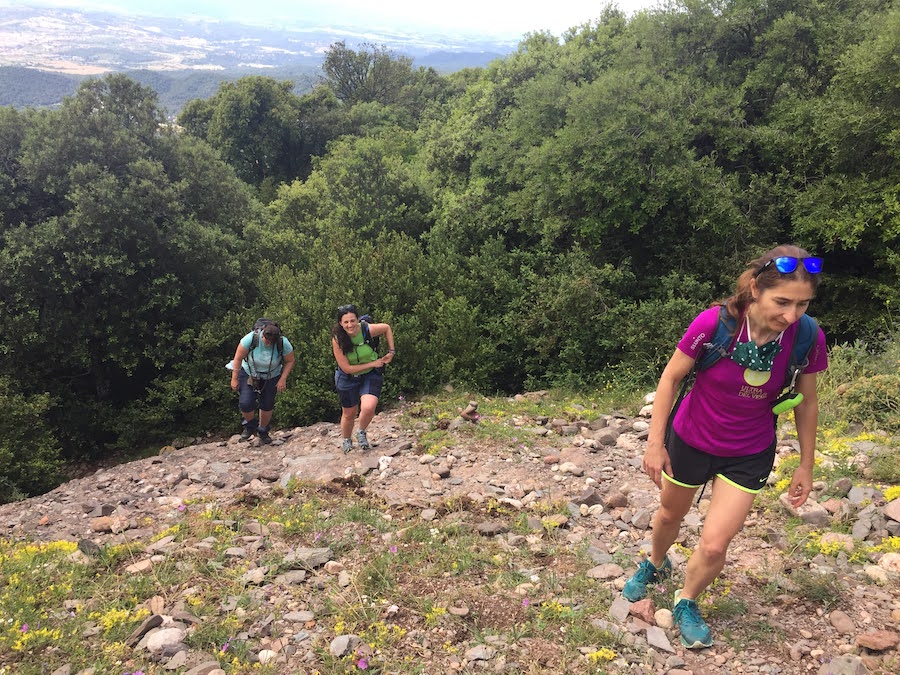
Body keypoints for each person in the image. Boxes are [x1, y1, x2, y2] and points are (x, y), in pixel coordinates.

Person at [622, 244, 828, 649]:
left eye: (803, 304)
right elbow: (670, 379)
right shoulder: (714, 324)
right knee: (668, 514)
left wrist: (806, 464)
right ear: (755, 289)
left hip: (749, 450)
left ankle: (688, 600)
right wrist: (654, 443)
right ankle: (656, 563)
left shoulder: (806, 336)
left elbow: (809, 402)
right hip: (691, 439)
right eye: (782, 302)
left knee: (716, 543)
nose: (792, 315)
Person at [332, 305, 395, 453]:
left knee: (369, 406)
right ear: (340, 323)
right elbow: (346, 368)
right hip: (347, 377)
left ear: (357, 319)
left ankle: (361, 431)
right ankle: (347, 439)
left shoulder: (366, 329)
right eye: (346, 322)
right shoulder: (337, 339)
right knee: (349, 413)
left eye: (352, 320)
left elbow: (386, 328)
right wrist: (373, 362)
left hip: (370, 374)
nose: (350, 325)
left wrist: (391, 352)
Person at [230, 321, 295, 444]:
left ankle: (263, 431)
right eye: (267, 340)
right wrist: (234, 378)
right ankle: (250, 425)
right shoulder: (251, 338)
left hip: (272, 375)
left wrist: (283, 379)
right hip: (249, 372)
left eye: (272, 342)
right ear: (263, 335)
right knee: (245, 402)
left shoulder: (283, 342)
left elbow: (290, 361)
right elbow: (237, 358)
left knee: (267, 404)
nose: (269, 343)